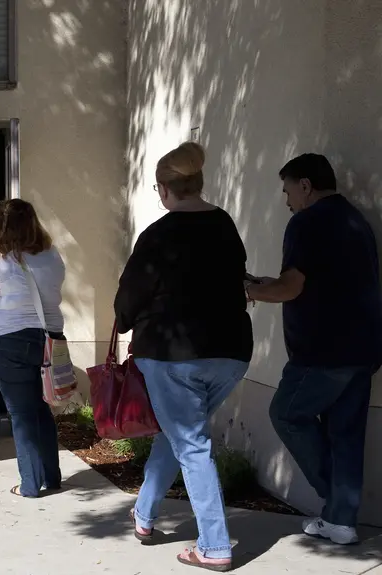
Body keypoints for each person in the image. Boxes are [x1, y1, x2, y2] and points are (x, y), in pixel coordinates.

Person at [115, 142, 252, 571]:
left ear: (164, 189)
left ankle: (214, 546)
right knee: (178, 435)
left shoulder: (158, 235)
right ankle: (144, 514)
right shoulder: (225, 225)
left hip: (173, 356)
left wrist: (123, 324)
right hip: (230, 353)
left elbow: (128, 300)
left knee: (191, 444)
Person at [246, 153, 382, 545]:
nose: (286, 199)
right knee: (346, 434)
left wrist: (249, 291)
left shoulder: (307, 222)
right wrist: (268, 283)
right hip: (364, 348)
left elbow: (291, 287)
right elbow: (314, 280)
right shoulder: (355, 220)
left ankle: (336, 495)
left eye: (288, 189)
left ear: (305, 185)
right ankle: (341, 522)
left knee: (286, 413)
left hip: (324, 350)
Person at [0, 199, 65, 497]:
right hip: (49, 338)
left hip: (9, 339)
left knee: (21, 413)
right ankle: (52, 477)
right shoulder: (52, 257)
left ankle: (29, 484)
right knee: (42, 409)